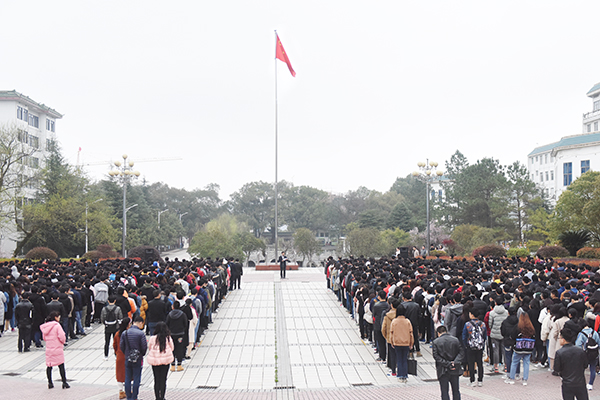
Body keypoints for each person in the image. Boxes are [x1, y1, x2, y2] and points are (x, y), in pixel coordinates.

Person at [555, 327, 590, 400]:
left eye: (559, 338)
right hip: (580, 382)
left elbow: (557, 369)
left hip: (567, 383)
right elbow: (585, 365)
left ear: (563, 339)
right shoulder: (580, 351)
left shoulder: (559, 353)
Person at [433, 325, 465, 400]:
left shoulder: (436, 342)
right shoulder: (455, 340)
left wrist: (447, 363)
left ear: (438, 333)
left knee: (444, 392)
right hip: (454, 369)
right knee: (456, 390)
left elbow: (436, 356)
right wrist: (455, 362)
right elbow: (461, 352)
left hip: (443, 370)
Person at [40, 311, 69, 389]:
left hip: (49, 349)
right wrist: (63, 342)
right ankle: (64, 382)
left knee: (49, 366)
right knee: (61, 365)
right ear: (56, 317)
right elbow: (62, 336)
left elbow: (44, 338)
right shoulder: (57, 326)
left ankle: (50, 383)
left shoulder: (45, 326)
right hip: (57, 348)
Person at [120, 316, 147, 400]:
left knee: (127, 378)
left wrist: (126, 353)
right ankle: (134, 396)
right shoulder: (141, 333)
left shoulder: (125, 333)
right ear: (140, 323)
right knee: (136, 378)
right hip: (137, 358)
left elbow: (121, 346)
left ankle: (128, 396)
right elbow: (144, 347)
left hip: (128, 357)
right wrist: (141, 354)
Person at [505, 313, 535, 386]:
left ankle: (512, 378)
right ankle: (525, 380)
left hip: (519, 348)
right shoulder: (531, 327)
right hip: (528, 348)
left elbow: (513, 336)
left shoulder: (518, 327)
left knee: (514, 362)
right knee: (526, 363)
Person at [147, 321, 175, 400]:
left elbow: (149, 347)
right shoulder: (168, 338)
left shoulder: (152, 338)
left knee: (156, 379)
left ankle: (157, 397)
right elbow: (172, 348)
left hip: (155, 361)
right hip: (165, 361)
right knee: (163, 379)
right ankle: (162, 396)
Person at [389, 304, 414, 383]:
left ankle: (400, 375)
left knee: (399, 359)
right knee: (404, 359)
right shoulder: (407, 321)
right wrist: (411, 343)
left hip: (397, 342)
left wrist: (391, 342)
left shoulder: (394, 321)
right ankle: (405, 375)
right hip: (406, 342)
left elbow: (391, 333)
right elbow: (411, 333)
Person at [463, 308, 487, 387]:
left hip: (470, 346)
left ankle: (472, 380)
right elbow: (484, 336)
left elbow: (464, 336)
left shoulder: (467, 324)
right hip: (479, 346)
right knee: (480, 363)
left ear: (472, 315)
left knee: (471, 363)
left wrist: (465, 345)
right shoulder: (482, 324)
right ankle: (480, 380)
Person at [575, 317, 600, 391]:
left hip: (585, 354)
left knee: (581, 369)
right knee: (592, 368)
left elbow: (578, 344)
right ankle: (590, 384)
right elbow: (599, 342)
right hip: (594, 353)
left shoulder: (581, 334)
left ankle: (581, 383)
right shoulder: (594, 332)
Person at [166, 300, 189, 371]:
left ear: (173, 307)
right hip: (180, 334)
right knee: (179, 349)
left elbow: (167, 324)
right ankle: (179, 365)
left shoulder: (169, 315)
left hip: (172, 334)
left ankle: (172, 365)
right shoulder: (182, 314)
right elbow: (185, 324)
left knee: (172, 349)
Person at [101, 295, 123, 360]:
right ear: (115, 301)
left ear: (108, 301)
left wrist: (105, 324)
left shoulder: (104, 309)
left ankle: (106, 355)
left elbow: (102, 318)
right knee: (116, 342)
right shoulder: (118, 308)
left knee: (107, 342)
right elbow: (120, 318)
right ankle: (116, 354)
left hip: (107, 327)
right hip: (115, 327)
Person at [114, 317, 130, 400]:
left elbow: (114, 345)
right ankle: (128, 390)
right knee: (128, 373)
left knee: (120, 374)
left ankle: (121, 391)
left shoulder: (118, 334)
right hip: (127, 355)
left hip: (120, 356)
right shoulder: (128, 333)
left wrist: (116, 352)